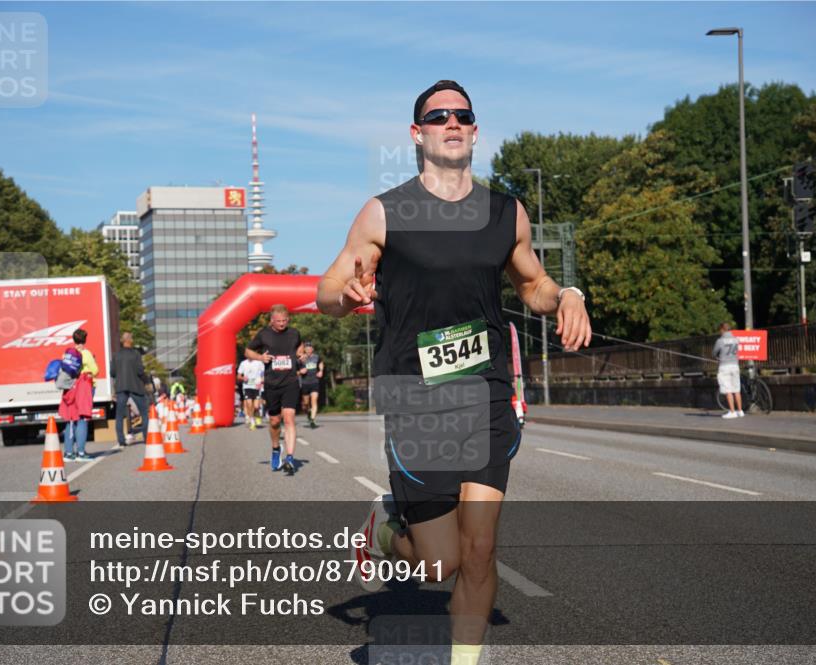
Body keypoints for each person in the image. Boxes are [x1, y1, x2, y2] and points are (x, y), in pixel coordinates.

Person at [317, 80, 591, 663]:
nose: (452, 122)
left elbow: (532, 284)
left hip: (486, 390)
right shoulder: (384, 211)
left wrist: (568, 293)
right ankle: (386, 529)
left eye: (462, 115)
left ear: (474, 129)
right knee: (439, 562)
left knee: (482, 548)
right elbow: (327, 290)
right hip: (415, 397)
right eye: (438, 115)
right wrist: (350, 296)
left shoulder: (503, 211)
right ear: (418, 134)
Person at [245, 304, 303, 475]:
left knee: (289, 417)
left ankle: (290, 458)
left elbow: (299, 345)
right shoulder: (264, 334)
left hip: (290, 381)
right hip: (272, 384)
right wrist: (260, 357)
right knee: (275, 421)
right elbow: (248, 351)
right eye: (278, 321)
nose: (282, 324)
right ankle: (276, 448)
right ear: (272, 321)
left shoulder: (294, 333)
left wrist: (300, 354)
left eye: (285, 320)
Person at [59, 328, 98, 461]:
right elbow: (95, 370)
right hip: (84, 387)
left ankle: (68, 453)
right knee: (82, 419)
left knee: (70, 419)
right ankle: (81, 453)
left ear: (74, 339)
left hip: (70, 387)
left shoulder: (68, 353)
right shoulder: (86, 353)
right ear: (85, 339)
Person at [111, 332, 150, 446]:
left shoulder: (116, 355)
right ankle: (146, 437)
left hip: (121, 386)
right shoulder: (135, 354)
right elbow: (140, 371)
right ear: (129, 341)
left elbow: (112, 372)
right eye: (132, 338)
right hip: (135, 386)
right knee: (144, 412)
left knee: (119, 414)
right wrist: (146, 381)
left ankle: (121, 440)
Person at [713, 322, 744, 419]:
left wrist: (717, 357)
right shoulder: (736, 340)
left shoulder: (720, 341)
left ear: (722, 329)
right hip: (735, 365)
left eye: (720, 330)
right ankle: (740, 411)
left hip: (725, 366)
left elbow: (714, 353)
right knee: (736, 390)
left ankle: (732, 411)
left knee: (728, 390)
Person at [299, 341, 324, 428]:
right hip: (305, 383)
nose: (308, 350)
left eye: (310, 348)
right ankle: (308, 412)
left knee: (314, 400)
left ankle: (313, 420)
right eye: (306, 348)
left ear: (312, 349)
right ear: (304, 350)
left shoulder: (317, 357)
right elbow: (296, 371)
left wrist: (321, 371)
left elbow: (321, 363)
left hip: (314, 382)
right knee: (306, 404)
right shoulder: (301, 359)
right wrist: (300, 371)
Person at [238, 355, 265, 430]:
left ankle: (257, 415)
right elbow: (239, 376)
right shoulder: (243, 363)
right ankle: (252, 422)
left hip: (257, 386)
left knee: (256, 406)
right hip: (247, 386)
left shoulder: (259, 362)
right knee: (249, 404)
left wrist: (262, 380)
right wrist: (243, 378)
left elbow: (262, 373)